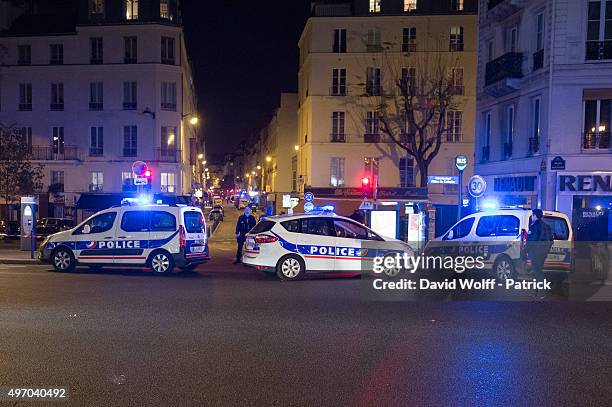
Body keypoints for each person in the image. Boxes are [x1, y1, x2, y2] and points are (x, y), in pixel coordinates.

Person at [526, 208, 554, 299]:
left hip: (536, 253)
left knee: (537, 272)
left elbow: (531, 241)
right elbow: (551, 240)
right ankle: (536, 292)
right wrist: (546, 250)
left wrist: (526, 251)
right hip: (543, 253)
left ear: (535, 216)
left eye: (533, 215)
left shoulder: (534, 226)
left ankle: (541, 292)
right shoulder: (547, 226)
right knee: (537, 271)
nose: (532, 217)